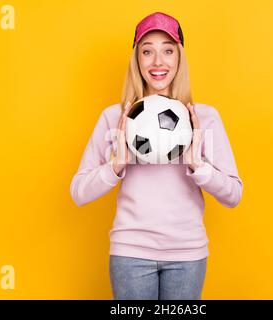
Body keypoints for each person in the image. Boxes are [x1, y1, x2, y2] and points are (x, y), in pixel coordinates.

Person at [70, 12, 244, 300]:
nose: (158, 62)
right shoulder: (115, 118)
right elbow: (78, 192)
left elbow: (233, 194)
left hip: (188, 256)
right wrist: (117, 165)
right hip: (130, 254)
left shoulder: (206, 118)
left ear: (179, 58)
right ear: (137, 59)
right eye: (147, 51)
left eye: (167, 50)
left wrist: (198, 166)